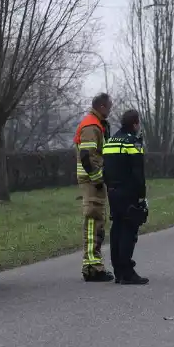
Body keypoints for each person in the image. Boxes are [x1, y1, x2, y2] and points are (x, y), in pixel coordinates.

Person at [102, 109, 149, 285]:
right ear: (135, 124)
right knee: (129, 230)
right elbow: (138, 172)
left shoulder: (110, 141)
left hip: (113, 192)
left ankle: (118, 272)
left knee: (117, 229)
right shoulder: (132, 142)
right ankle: (128, 272)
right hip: (128, 192)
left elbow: (105, 170)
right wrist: (141, 196)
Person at [74, 93, 115, 282]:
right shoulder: (92, 126)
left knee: (97, 221)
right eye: (109, 106)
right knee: (93, 221)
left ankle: (93, 264)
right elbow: (86, 156)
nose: (111, 109)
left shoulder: (96, 124)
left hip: (93, 180)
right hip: (92, 181)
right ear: (101, 107)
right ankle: (92, 267)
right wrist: (98, 179)